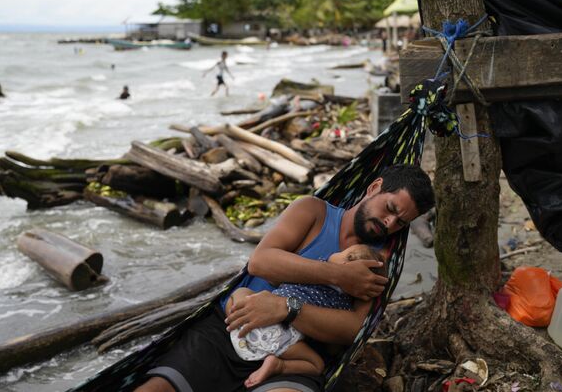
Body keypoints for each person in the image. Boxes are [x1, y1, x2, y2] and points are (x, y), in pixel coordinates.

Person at [134, 164, 434, 392]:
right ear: (374, 188)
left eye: (401, 222)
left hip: (293, 356)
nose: (390, 222)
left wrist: (288, 309)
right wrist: (337, 274)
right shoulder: (313, 212)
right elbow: (261, 262)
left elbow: (352, 330)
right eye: (391, 209)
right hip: (230, 329)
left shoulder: (378, 261)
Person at [226, 244, 388, 388]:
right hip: (284, 340)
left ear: (347, 260)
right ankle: (279, 366)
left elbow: (275, 281)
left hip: (254, 317)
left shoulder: (311, 270)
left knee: (241, 293)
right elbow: (334, 347)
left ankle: (235, 321)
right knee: (316, 365)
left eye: (343, 251)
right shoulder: (343, 304)